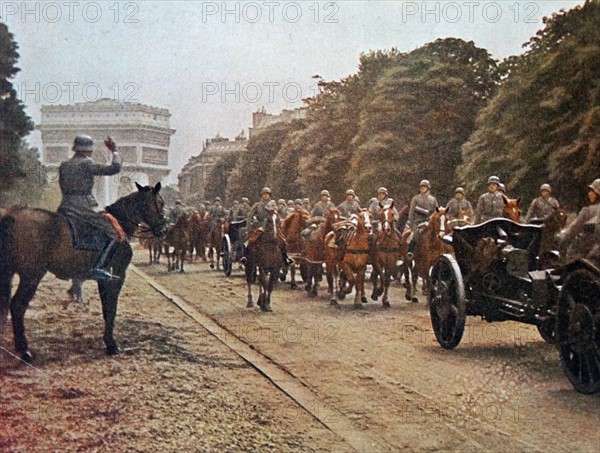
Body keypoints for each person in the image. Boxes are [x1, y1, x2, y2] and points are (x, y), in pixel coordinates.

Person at [57, 135, 122, 281]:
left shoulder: (64, 165)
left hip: (65, 205)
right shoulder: (87, 164)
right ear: (88, 150)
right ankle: (97, 267)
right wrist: (114, 151)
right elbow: (114, 169)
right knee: (112, 232)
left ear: (76, 149)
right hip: (83, 207)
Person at [559, 178, 600, 262]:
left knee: (569, 263)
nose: (589, 194)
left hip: (589, 253)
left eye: (591, 191)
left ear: (597, 193)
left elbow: (574, 229)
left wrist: (562, 240)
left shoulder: (587, 211)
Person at [407, 180, 439, 252]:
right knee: (414, 236)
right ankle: (411, 252)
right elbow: (411, 211)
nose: (422, 188)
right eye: (421, 187)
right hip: (417, 221)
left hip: (429, 221)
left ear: (428, 188)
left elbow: (436, 211)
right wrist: (411, 224)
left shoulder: (433, 199)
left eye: (424, 187)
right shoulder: (415, 198)